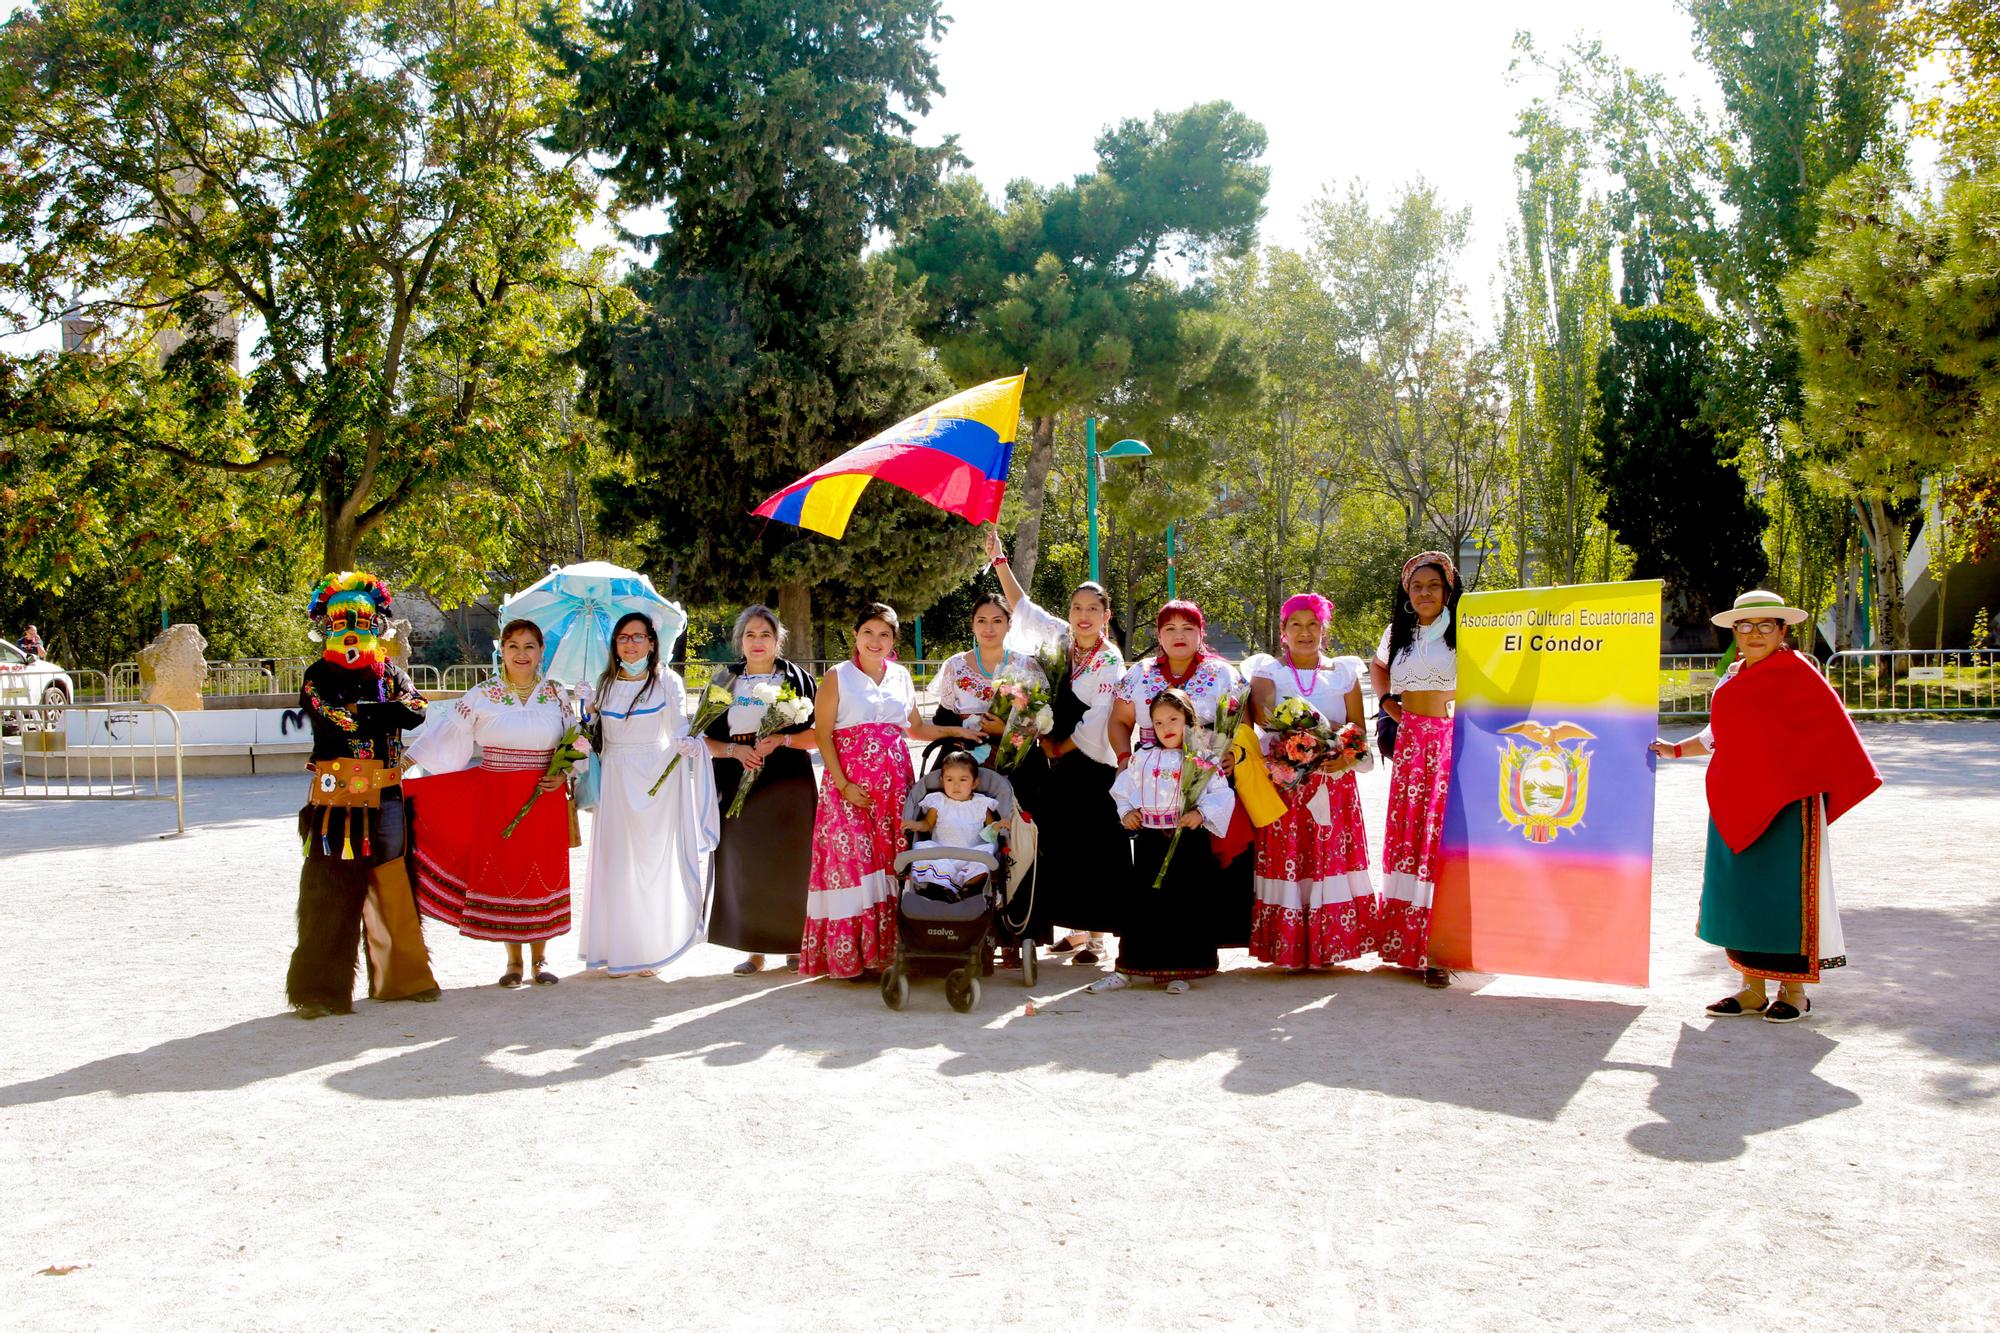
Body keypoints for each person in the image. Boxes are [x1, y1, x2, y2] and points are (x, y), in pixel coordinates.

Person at [1651, 590, 1881, 1024]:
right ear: (1734, 631)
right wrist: (1675, 750)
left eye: (1764, 626)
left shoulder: (1799, 675)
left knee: (1784, 896)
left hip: (1787, 805)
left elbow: (1830, 736)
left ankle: (1793, 993)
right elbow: (1718, 733)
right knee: (1740, 894)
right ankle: (1751, 989)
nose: (1754, 634)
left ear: (1782, 631)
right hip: (1733, 799)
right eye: (1745, 626)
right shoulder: (1734, 674)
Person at [284, 572, 439, 1018]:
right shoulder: (317, 675)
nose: (352, 629)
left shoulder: (392, 672)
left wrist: (364, 712)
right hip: (337, 802)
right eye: (340, 622)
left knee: (395, 884)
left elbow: (416, 711)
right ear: (326, 627)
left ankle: (402, 978)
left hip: (388, 794)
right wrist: (376, 714)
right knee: (331, 888)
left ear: (378, 625)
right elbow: (332, 717)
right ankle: (318, 990)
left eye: (362, 620)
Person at [801, 604, 982, 979]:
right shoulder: (838, 677)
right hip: (848, 790)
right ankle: (852, 959)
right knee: (851, 866)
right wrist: (844, 784)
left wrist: (957, 732)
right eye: (868, 631)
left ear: (893, 640)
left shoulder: (900, 676)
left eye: (884, 634)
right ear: (855, 635)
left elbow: (915, 729)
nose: (875, 640)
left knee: (891, 865)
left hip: (895, 790)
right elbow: (822, 735)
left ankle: (890, 955)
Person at [405, 619, 576, 988]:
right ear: (502, 651)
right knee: (507, 871)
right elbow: (446, 736)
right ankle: (513, 961)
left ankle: (541, 958)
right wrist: (403, 765)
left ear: (541, 651)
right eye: (513, 646)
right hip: (496, 795)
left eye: (529, 646)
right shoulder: (482, 694)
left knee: (540, 870)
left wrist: (563, 775)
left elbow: (575, 743)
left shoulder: (557, 695)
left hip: (544, 797)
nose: (521, 654)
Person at [985, 525, 1129, 964]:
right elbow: (1024, 610)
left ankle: (1099, 936)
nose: (1083, 615)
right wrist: (999, 559)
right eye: (1076, 607)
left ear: (1106, 615)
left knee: (1096, 847)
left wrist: (1057, 748)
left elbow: (1098, 719)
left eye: (1092, 609)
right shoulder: (1063, 641)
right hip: (1058, 761)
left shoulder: (1109, 658)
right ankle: (1078, 931)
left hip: (1090, 762)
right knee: (1063, 845)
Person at [577, 611, 718, 978]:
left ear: (652, 642)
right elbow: (595, 736)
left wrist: (687, 741)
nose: (630, 643)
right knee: (618, 861)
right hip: (615, 776)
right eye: (623, 637)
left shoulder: (666, 680)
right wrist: (587, 709)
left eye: (638, 636)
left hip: (655, 776)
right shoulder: (605, 682)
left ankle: (651, 947)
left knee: (651, 860)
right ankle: (620, 947)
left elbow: (680, 725)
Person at [1109, 599, 1249, 949]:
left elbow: (1243, 721)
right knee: (1151, 866)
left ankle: (1200, 948)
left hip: (1205, 777)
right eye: (1169, 628)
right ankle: (1149, 950)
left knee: (1199, 866)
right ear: (1158, 635)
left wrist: (1233, 754)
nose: (1179, 635)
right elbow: (1119, 720)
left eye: (1188, 627)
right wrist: (1126, 757)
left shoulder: (1222, 673)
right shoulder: (1139, 674)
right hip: (1152, 777)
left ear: (1201, 633)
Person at [1246, 592, 1375, 970]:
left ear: (1324, 629)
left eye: (1313, 625)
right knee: (1290, 861)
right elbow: (1267, 718)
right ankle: (1288, 949)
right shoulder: (1268, 672)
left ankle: (1329, 947)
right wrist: (1312, 736)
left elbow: (1358, 730)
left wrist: (1341, 754)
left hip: (1332, 783)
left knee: (1328, 860)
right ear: (1283, 631)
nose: (1305, 632)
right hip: (1285, 782)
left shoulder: (1344, 673)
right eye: (1296, 625)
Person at [1092, 689, 1237, 995]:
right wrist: (1127, 812)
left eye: (1173, 719)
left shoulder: (1201, 758)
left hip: (1187, 844)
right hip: (1150, 843)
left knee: (1182, 904)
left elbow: (1223, 794)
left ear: (1188, 720)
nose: (1166, 727)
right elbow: (1121, 790)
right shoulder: (1142, 758)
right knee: (1143, 904)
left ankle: (1180, 969)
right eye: (1158, 722)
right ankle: (1128, 967)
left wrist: (1201, 813)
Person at [704, 606, 819, 976]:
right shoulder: (724, 680)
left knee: (791, 862)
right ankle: (754, 948)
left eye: (765, 635)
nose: (757, 642)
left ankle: (795, 944)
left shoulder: (797, 679)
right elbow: (703, 738)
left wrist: (782, 739)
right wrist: (735, 751)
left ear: (778, 640)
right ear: (740, 640)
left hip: (788, 780)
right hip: (737, 779)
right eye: (750, 635)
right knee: (746, 861)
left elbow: (818, 734)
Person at [1369, 551, 1461, 988]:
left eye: (1434, 586)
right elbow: (1379, 666)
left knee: (1440, 839)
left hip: (1451, 741)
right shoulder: (1397, 632)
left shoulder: (1464, 631)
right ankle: (1404, 942)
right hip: (1410, 744)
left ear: (1448, 590)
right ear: (1407, 592)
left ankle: (1441, 946)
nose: (1425, 593)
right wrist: (1387, 703)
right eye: (1417, 586)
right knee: (1410, 834)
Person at [931, 592, 1049, 765]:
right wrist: (962, 735)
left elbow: (1041, 724)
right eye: (981, 621)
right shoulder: (956, 666)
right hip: (964, 760)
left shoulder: (1027, 666)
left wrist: (1005, 731)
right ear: (972, 625)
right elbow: (943, 720)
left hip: (1015, 760)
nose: (989, 629)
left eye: (997, 620)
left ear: (1010, 624)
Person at [903, 750, 1000, 900]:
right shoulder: (938, 801)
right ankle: (944, 887)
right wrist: (916, 825)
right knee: (922, 848)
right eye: (949, 780)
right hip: (942, 854)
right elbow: (928, 825)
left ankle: (966, 887)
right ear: (942, 781)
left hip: (972, 855)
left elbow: (991, 830)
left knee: (988, 851)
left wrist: (998, 826)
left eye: (963, 780)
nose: (956, 785)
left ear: (974, 783)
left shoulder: (981, 804)